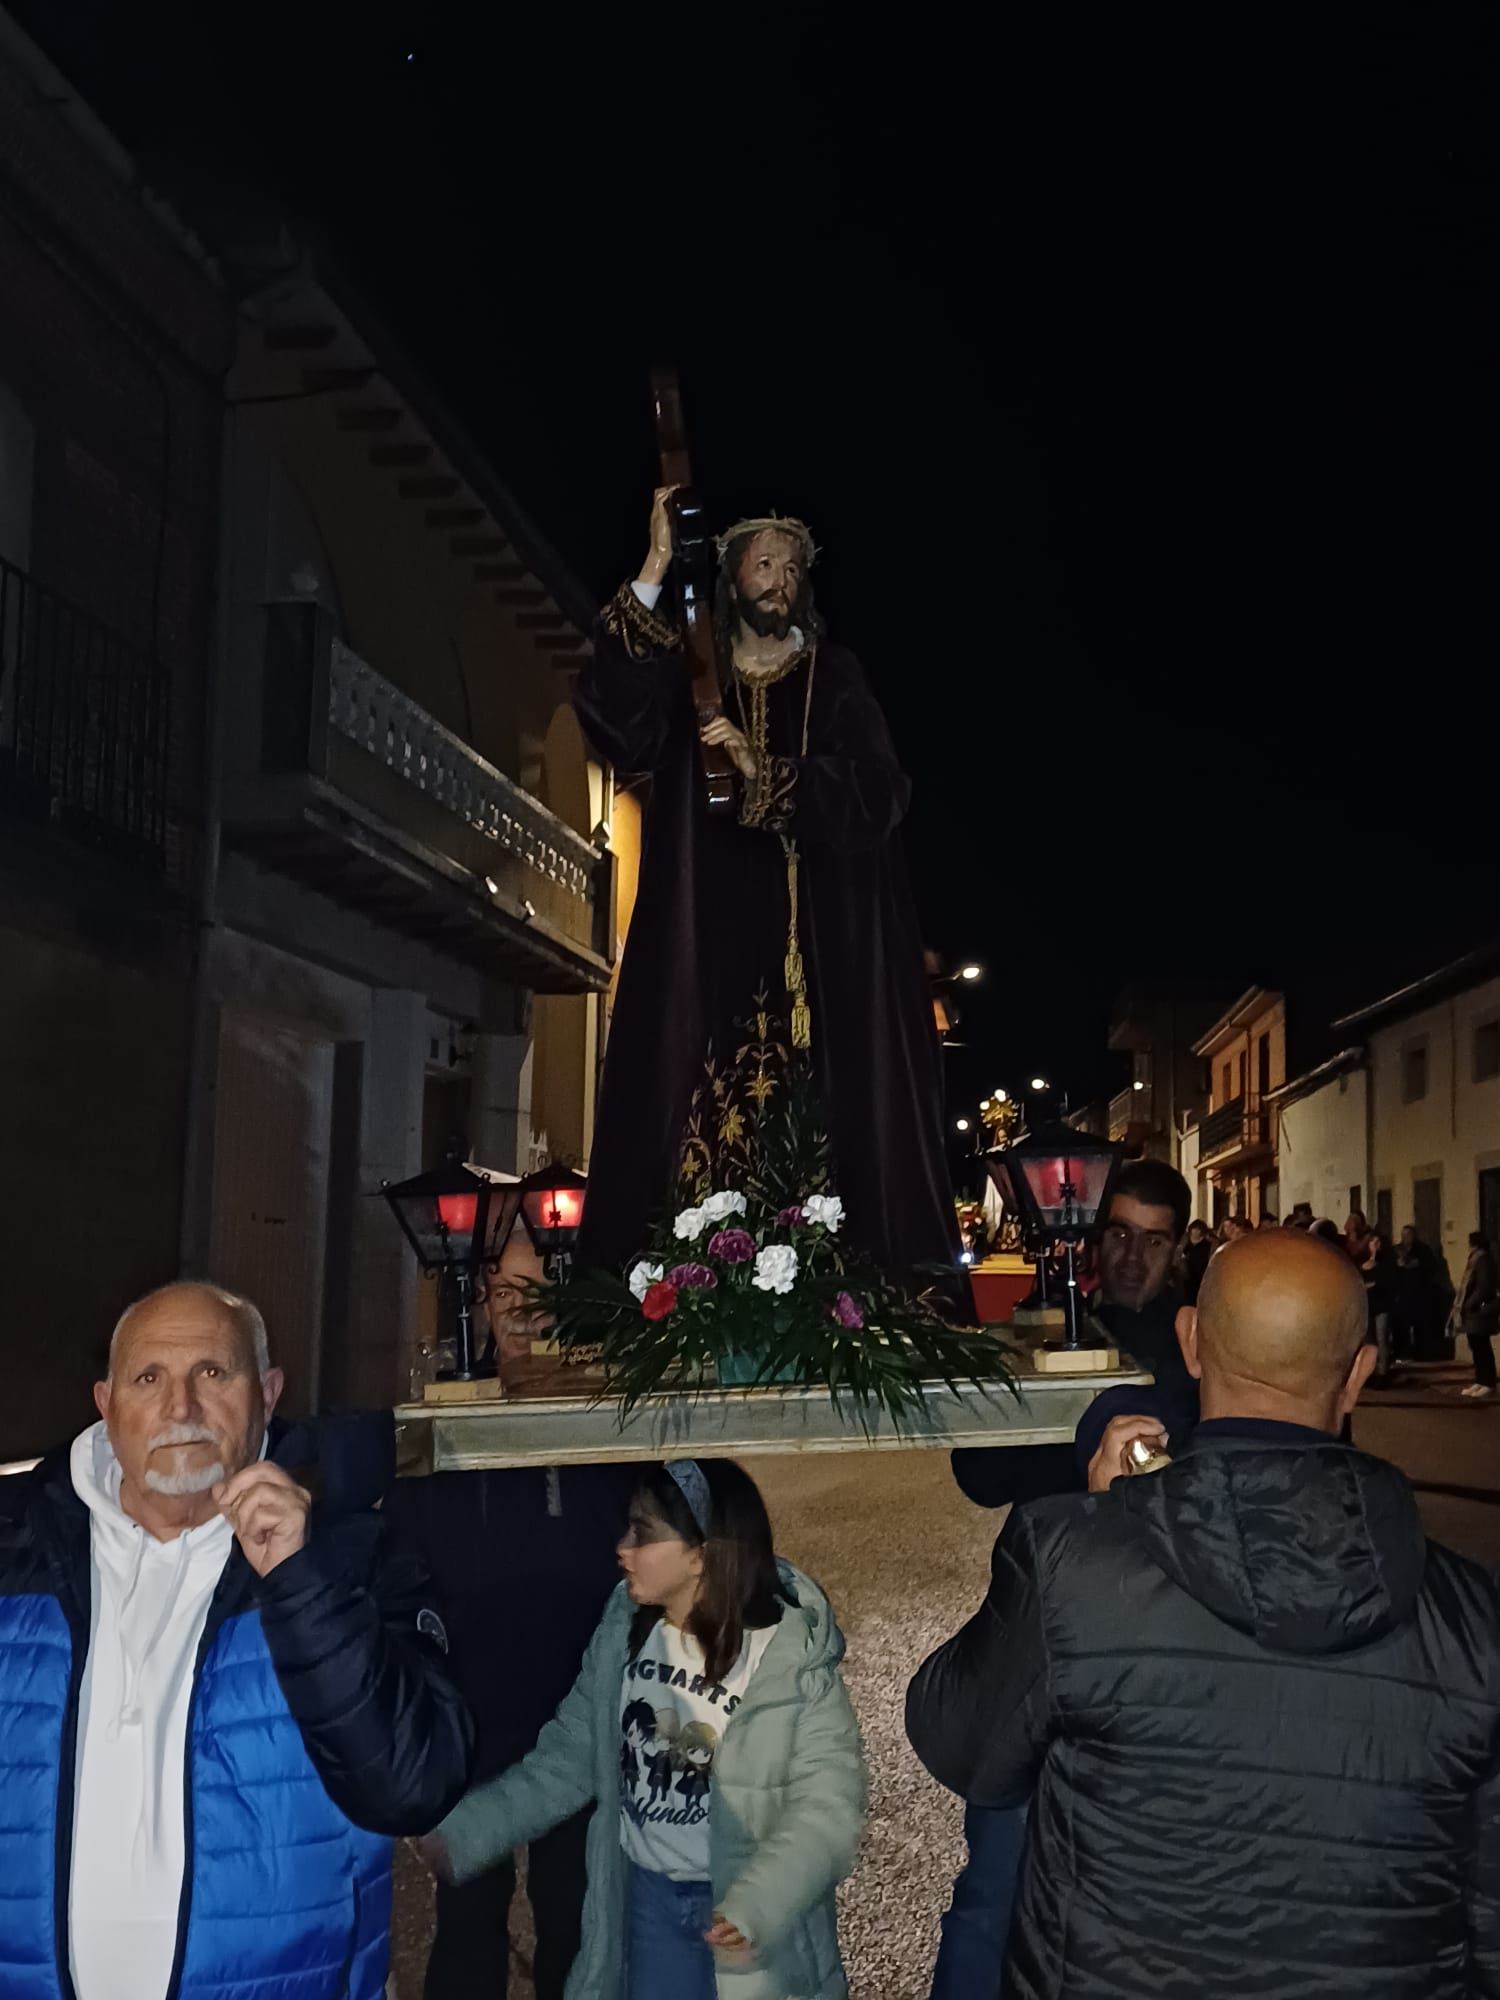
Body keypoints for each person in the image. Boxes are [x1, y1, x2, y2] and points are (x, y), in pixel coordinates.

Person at [907, 1229, 1500, 2000]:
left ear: (1191, 1342)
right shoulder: (1475, 1616)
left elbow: (955, 1737)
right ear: (1358, 1374)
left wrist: (1093, 1529)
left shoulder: (1073, 1561)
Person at [0, 1281, 472, 2000]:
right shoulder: (14, 1550)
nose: (180, 1407)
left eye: (212, 1374)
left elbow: (412, 1786)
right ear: (106, 1403)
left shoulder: (353, 1555)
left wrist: (298, 1580)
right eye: (148, 1378)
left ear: (268, 1393)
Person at [572, 490, 958, 1280]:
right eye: (764, 562)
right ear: (731, 573)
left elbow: (879, 792)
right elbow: (616, 719)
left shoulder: (836, 677)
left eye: (793, 566)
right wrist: (651, 566)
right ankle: (675, 1290)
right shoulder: (689, 678)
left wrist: (769, 775)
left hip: (825, 963)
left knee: (836, 1128)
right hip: (703, 953)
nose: (780, 579)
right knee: (686, 1105)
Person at [418, 1458, 866, 2000]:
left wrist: (759, 1903)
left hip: (748, 1917)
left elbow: (829, 1807)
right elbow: (568, 1759)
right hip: (649, 1902)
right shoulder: (623, 1633)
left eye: (644, 1535)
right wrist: (467, 1831)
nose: (622, 1547)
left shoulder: (788, 1656)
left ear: (703, 1553)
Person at [932, 1159, 1193, 2000]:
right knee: (994, 1890)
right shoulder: (1041, 1328)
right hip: (1042, 1642)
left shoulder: (1201, 1354)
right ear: (1088, 1233)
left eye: (1153, 1241)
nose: (1130, 1255)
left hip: (1154, 1657)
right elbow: (977, 1470)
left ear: (1179, 1248)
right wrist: (1076, 1436)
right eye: (1117, 1232)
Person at [1453, 1228, 1500, 1399]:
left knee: (1482, 1347)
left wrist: (1469, 1304)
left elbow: (1483, 1286)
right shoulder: (1476, 1259)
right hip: (1473, 1312)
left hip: (1480, 1311)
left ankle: (1488, 1382)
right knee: (1476, 1346)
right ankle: (1480, 1380)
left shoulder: (1483, 1260)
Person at [1391, 1221, 1441, 1361]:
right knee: (1401, 1326)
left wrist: (1416, 1266)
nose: (1406, 1237)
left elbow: (1430, 1268)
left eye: (1409, 1235)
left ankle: (1421, 1353)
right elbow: (1391, 1270)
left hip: (1419, 1294)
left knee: (1420, 1326)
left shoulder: (1423, 1250)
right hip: (1401, 1294)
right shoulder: (1396, 1250)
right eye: (1404, 1235)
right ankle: (1402, 1353)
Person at [1182, 1217, 1213, 1304]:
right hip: (1186, 1280)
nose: (1195, 1231)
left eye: (1197, 1229)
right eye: (1193, 1229)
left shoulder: (1208, 1245)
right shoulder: (1185, 1244)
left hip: (1202, 1279)